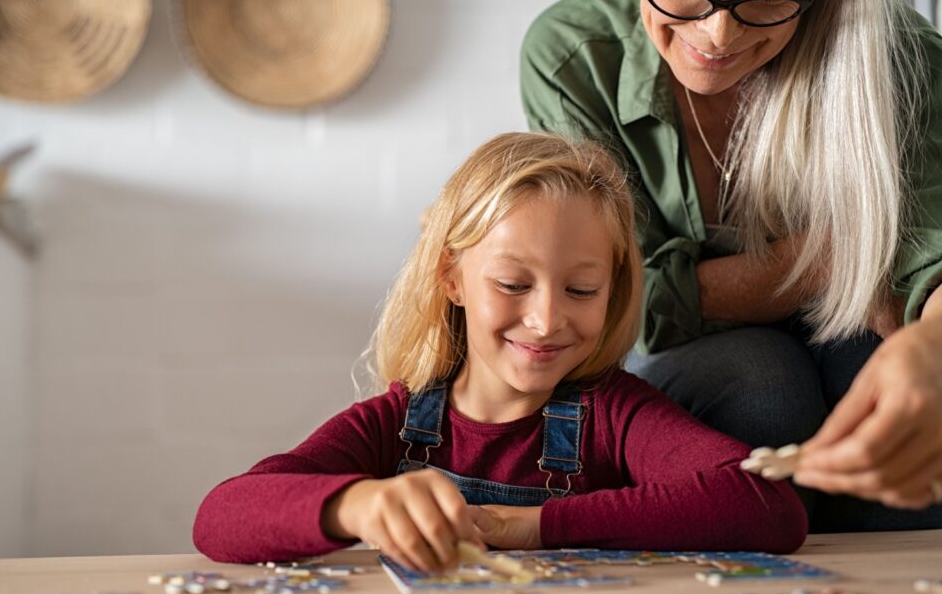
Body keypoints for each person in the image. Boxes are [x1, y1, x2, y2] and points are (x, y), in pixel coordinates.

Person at [193, 132, 807, 569]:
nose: (545, 320)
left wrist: (538, 526)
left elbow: (768, 504)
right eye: (513, 285)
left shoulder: (614, 415)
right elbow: (219, 517)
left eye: (582, 289)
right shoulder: (397, 424)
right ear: (451, 279)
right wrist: (358, 504)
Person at [521, 0, 942, 532]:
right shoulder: (573, 54)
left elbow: (929, 257)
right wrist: (823, 262)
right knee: (763, 388)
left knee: (887, 392)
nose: (719, 33)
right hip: (694, 350)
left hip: (849, 328)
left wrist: (933, 349)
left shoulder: (904, 56)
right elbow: (616, 300)